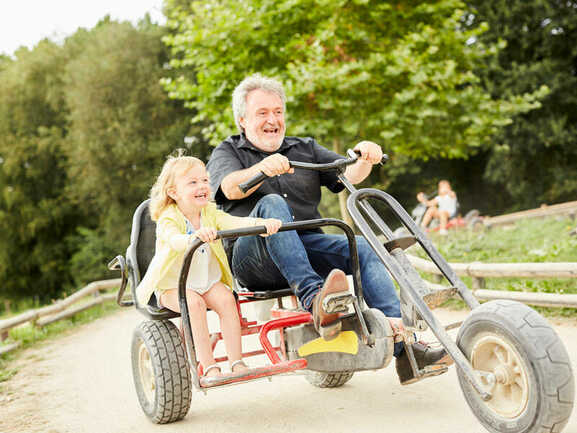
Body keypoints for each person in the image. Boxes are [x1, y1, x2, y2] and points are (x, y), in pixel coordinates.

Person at [206, 74, 452, 384]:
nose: (273, 120)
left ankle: (406, 349)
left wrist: (364, 155)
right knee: (271, 204)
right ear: (242, 120)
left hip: (306, 247)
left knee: (361, 246)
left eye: (278, 112)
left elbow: (348, 174)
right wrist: (261, 169)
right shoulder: (228, 151)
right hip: (254, 254)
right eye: (263, 113)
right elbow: (228, 188)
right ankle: (315, 300)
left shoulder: (304, 147)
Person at [135, 152, 282, 378]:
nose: (202, 185)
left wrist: (262, 224)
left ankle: (237, 361)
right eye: (192, 182)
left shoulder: (209, 213)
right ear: (174, 192)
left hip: (206, 281)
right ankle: (209, 365)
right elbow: (173, 240)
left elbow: (234, 222)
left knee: (227, 299)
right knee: (192, 304)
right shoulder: (169, 217)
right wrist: (194, 237)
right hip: (174, 286)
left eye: (204, 180)